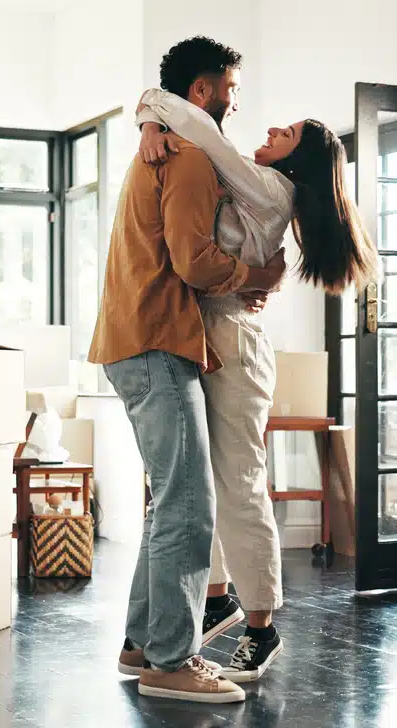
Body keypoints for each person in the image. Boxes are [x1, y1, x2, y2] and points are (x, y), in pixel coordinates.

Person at [130, 53, 377, 684]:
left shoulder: (271, 188)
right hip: (207, 333)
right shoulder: (262, 183)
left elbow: (206, 136)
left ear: (297, 161)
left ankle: (261, 625)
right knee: (193, 486)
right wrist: (148, 122)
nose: (267, 132)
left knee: (237, 481)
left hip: (232, 340)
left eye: (285, 135)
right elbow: (198, 131)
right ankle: (215, 598)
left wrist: (153, 109)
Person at [88, 36, 286, 704]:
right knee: (190, 506)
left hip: (136, 337)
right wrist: (257, 274)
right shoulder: (191, 158)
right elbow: (194, 263)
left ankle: (143, 642)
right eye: (228, 86)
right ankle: (171, 663)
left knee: (171, 501)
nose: (234, 98)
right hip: (157, 339)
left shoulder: (158, 148)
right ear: (200, 92)